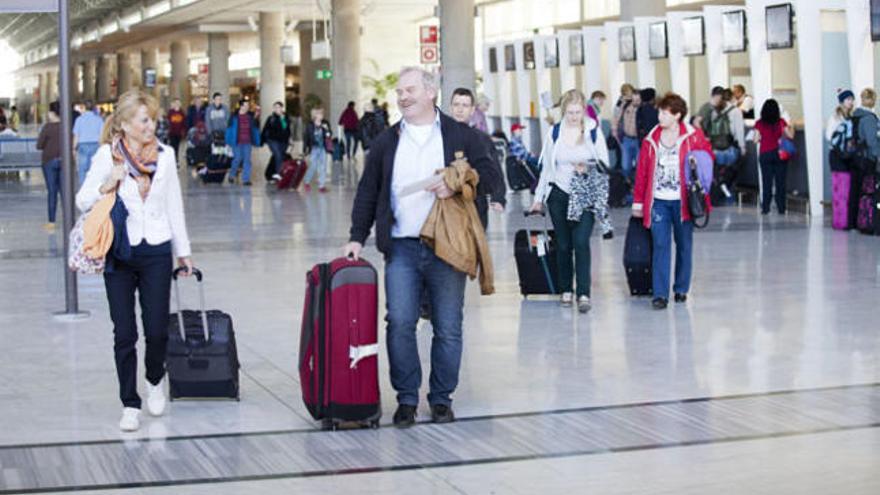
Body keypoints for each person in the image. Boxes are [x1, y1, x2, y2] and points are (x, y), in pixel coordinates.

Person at [344, 67, 501, 427]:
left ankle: (442, 398)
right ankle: (407, 398)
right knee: (399, 322)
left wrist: (457, 183)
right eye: (399, 91)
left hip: (447, 247)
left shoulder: (462, 136)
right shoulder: (387, 141)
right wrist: (357, 236)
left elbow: (492, 177)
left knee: (448, 326)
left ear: (430, 93)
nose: (403, 96)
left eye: (410, 90)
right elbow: (369, 190)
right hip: (401, 247)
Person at [75, 89, 193, 432]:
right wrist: (107, 184)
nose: (150, 126)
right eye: (144, 120)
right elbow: (82, 200)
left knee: (156, 329)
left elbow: (174, 205)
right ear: (124, 124)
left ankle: (155, 378)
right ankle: (129, 402)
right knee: (124, 332)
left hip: (156, 248)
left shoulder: (166, 157)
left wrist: (182, 251)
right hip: (120, 252)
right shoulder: (105, 156)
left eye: (152, 119)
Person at [530, 89, 611, 313]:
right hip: (559, 194)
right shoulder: (554, 132)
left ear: (584, 110)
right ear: (564, 110)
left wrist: (588, 167)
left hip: (585, 194)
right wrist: (538, 199)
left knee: (581, 242)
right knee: (564, 244)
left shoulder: (593, 131)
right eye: (570, 112)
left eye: (578, 112)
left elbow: (604, 163)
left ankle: (583, 292)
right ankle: (566, 289)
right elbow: (547, 167)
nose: (574, 117)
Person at [632, 92, 713, 310]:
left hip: (683, 201)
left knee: (684, 245)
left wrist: (701, 182)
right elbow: (642, 172)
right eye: (660, 112)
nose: (660, 116)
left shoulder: (693, 136)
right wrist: (638, 202)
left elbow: (707, 161)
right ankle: (660, 294)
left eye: (665, 113)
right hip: (658, 200)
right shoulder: (651, 139)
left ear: (677, 115)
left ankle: (681, 288)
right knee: (660, 245)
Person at [449, 87, 506, 229]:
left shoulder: (482, 139)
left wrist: (498, 197)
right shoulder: (439, 136)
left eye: (465, 105)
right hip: (448, 204)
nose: (460, 109)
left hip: (476, 202)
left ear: (472, 110)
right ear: (451, 108)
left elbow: (495, 171)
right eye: (456, 105)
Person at [753, 98, 795, 215]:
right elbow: (790, 136)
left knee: (767, 182)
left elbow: (755, 140)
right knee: (780, 182)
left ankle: (765, 208)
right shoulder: (781, 122)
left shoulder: (759, 123)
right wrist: (792, 125)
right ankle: (781, 208)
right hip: (779, 155)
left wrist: (763, 137)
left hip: (765, 155)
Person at [704, 88, 746, 202]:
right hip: (730, 148)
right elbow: (739, 131)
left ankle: (716, 198)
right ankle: (729, 198)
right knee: (731, 175)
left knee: (716, 175)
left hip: (714, 149)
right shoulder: (735, 111)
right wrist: (742, 147)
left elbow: (706, 130)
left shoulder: (711, 111)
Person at [851, 88, 880, 226]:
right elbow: (872, 142)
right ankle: (867, 221)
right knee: (868, 190)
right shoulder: (869, 118)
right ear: (873, 100)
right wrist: (877, 156)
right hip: (867, 159)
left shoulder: (855, 115)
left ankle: (856, 220)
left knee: (856, 189)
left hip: (855, 158)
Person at [36, 101, 62, 231]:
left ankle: (51, 222)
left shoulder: (47, 127)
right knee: (64, 192)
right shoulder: (66, 126)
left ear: (52, 113)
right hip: (64, 161)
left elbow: (39, 145)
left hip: (49, 161)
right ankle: (68, 218)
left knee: (52, 191)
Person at [225, 100, 260, 186]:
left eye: (248, 105)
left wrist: (258, 112)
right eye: (245, 105)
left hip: (247, 141)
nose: (247, 107)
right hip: (236, 142)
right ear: (241, 106)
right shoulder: (234, 116)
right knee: (237, 159)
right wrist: (227, 142)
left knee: (247, 160)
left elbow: (255, 126)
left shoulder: (250, 116)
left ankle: (246, 179)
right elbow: (229, 129)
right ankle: (232, 175)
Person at [72, 100, 105, 185]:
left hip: (82, 145)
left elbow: (76, 135)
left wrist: (74, 148)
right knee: (94, 169)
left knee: (82, 169)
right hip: (95, 145)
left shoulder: (79, 119)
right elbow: (102, 135)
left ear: (85, 108)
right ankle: (93, 188)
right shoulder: (99, 119)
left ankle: (83, 189)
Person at [302, 107, 332, 192]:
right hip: (314, 148)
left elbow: (329, 135)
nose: (321, 115)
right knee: (313, 166)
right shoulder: (310, 125)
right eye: (319, 114)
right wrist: (305, 149)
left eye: (322, 113)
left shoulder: (325, 123)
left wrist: (326, 129)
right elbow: (306, 137)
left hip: (323, 148)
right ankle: (307, 181)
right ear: (315, 115)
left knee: (323, 167)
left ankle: (321, 186)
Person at [614, 85, 641, 180]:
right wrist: (614, 129)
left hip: (639, 140)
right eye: (634, 100)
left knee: (639, 165)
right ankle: (626, 186)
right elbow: (617, 117)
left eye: (638, 100)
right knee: (625, 165)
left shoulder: (642, 109)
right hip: (626, 139)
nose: (635, 102)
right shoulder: (625, 105)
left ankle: (637, 186)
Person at [261, 101, 291, 181]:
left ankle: (270, 173)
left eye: (278, 107)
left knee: (278, 157)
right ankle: (279, 173)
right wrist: (262, 141)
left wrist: (282, 120)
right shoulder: (271, 118)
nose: (276, 109)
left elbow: (286, 129)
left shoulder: (286, 117)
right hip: (272, 140)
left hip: (284, 141)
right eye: (275, 107)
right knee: (278, 154)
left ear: (282, 108)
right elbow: (265, 129)